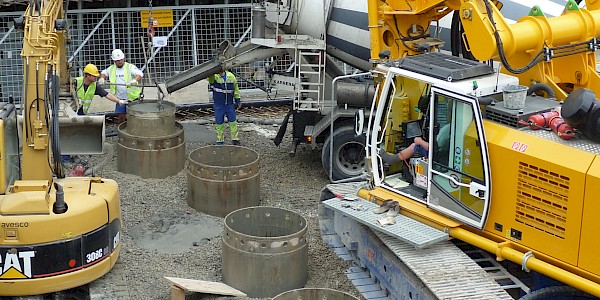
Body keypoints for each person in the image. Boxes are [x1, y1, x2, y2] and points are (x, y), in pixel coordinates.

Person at [100, 49, 143, 124]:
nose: (119, 62)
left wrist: (134, 80)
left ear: (123, 59)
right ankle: (121, 129)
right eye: (117, 60)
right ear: (114, 61)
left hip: (133, 98)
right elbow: (104, 72)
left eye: (121, 60)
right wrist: (102, 78)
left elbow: (139, 74)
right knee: (120, 117)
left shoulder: (130, 67)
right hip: (120, 99)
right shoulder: (111, 69)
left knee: (136, 117)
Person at [207, 70, 242, 145]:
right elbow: (210, 77)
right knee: (219, 122)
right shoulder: (214, 77)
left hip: (229, 104)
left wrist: (238, 100)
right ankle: (220, 139)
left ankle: (235, 139)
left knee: (233, 121)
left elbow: (236, 89)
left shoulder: (231, 76)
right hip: (219, 104)